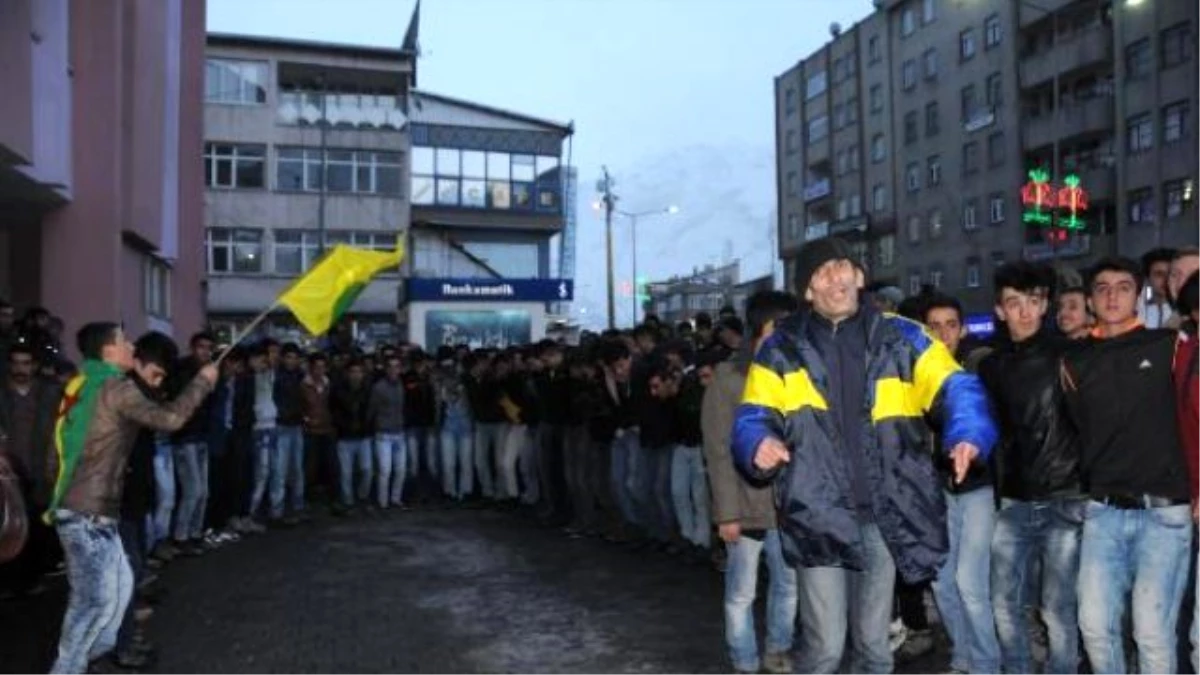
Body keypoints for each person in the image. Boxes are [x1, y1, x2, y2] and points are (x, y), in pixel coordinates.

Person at [731, 236, 996, 674]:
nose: (835, 277)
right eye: (822, 273)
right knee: (826, 650)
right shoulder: (781, 349)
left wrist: (967, 431)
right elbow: (752, 415)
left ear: (858, 276)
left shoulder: (903, 336)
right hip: (816, 514)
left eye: (842, 267)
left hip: (883, 515)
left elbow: (956, 386)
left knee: (875, 647)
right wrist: (756, 442)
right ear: (808, 291)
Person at [45, 322, 215, 675]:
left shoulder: (83, 384)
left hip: (89, 512)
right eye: (124, 341)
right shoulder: (114, 387)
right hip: (87, 514)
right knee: (92, 604)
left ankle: (86, 660)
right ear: (108, 351)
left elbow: (56, 451)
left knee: (118, 595)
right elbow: (170, 419)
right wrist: (203, 382)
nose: (131, 345)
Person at [1062, 256, 1193, 673]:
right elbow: (1075, 427)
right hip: (1103, 512)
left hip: (1164, 513)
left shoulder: (1169, 346)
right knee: (1094, 627)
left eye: (1123, 287)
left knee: (1152, 633)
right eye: (1102, 288)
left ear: (1140, 294)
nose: (1112, 295)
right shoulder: (1073, 361)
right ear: (1089, 299)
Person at [979, 261, 1085, 675]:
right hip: (1014, 500)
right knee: (1004, 604)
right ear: (1000, 310)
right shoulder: (991, 366)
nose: (1024, 311)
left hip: (1065, 496)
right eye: (1014, 302)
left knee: (1058, 609)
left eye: (1034, 301)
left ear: (1046, 306)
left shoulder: (1072, 356)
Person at [703, 290, 798, 675]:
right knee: (741, 593)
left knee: (787, 586)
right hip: (743, 507)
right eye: (781, 327)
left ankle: (777, 650)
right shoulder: (728, 380)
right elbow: (718, 452)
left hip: (787, 505)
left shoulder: (796, 374)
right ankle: (743, 659)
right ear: (760, 330)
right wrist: (726, 514)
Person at [922, 293, 1001, 675]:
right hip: (937, 491)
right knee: (942, 582)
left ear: (963, 329)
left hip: (978, 489)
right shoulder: (917, 373)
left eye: (950, 324)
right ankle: (963, 657)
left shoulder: (980, 366)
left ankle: (986, 664)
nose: (942, 333)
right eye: (934, 326)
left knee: (970, 581)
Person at [0, 342, 62, 596]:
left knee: (37, 525)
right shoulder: (3, 394)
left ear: (34, 366)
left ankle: (32, 578)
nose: (20, 368)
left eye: (26, 363)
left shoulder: (48, 393)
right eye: (16, 363)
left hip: (39, 468)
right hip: (7, 471)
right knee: (9, 526)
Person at [167, 332, 216, 555]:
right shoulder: (182, 369)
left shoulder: (211, 370)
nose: (205, 352)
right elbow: (180, 399)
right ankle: (181, 536)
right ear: (192, 347)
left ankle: (195, 533)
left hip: (202, 436)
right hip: (185, 437)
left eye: (209, 348)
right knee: (192, 490)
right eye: (201, 347)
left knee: (203, 491)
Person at [331, 359, 372, 513]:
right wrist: (341, 426)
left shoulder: (367, 391)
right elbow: (334, 412)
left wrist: (367, 427)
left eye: (359, 372)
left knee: (367, 470)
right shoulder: (338, 391)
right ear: (347, 374)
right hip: (345, 436)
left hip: (363, 436)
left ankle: (362, 497)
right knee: (345, 473)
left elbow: (371, 412)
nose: (356, 375)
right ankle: (348, 501)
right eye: (353, 372)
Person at [273, 343, 307, 524]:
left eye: (295, 357)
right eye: (288, 357)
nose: (292, 361)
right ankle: (277, 511)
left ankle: (298, 507)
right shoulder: (276, 376)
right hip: (281, 426)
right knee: (279, 470)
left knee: (297, 470)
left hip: (297, 425)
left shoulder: (301, 376)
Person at [369, 354, 407, 510]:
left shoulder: (401, 385)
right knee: (385, 470)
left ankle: (395, 499)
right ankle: (383, 502)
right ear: (385, 369)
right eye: (390, 366)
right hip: (383, 433)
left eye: (396, 366)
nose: (393, 370)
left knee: (401, 470)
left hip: (399, 432)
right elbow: (372, 409)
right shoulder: (378, 387)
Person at [1139, 247, 1177, 329]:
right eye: (1159, 274)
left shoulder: (1189, 312)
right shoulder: (1135, 310)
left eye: (1171, 274)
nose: (1166, 280)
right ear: (1148, 278)